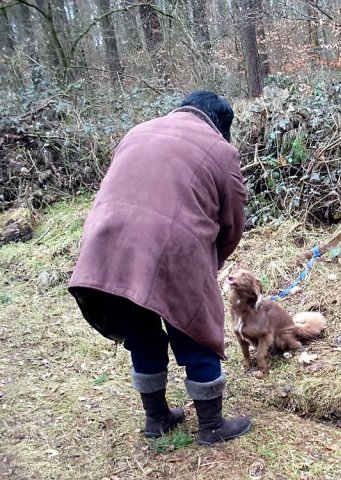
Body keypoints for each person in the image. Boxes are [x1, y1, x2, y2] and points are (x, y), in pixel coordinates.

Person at [68, 91, 251, 445]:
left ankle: (156, 419)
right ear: (221, 127)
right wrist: (210, 263)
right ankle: (211, 426)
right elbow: (233, 224)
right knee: (194, 327)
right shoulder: (220, 149)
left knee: (141, 329)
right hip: (172, 245)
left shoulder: (138, 130)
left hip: (105, 243)